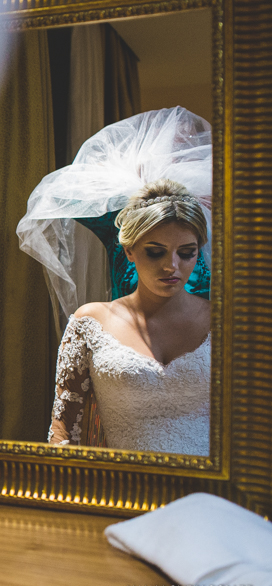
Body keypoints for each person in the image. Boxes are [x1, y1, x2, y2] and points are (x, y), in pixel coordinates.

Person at [47, 179, 211, 454]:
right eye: (155, 252)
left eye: (186, 253)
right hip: (124, 490)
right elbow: (63, 432)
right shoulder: (91, 322)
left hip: (210, 493)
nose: (172, 266)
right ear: (129, 250)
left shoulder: (225, 323)